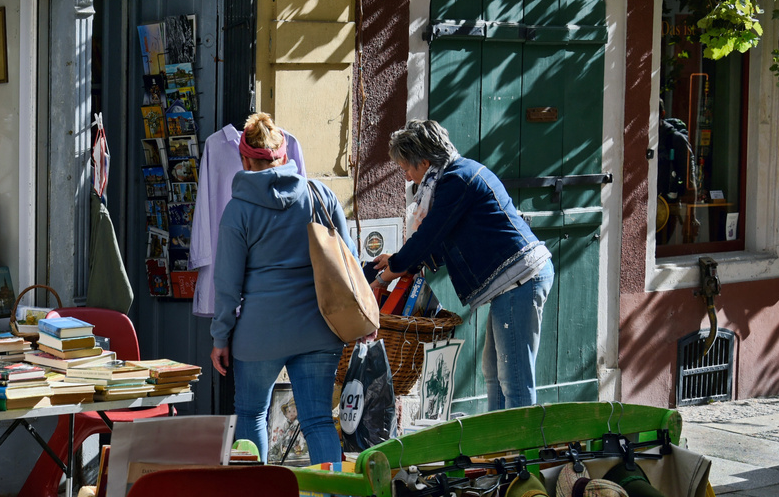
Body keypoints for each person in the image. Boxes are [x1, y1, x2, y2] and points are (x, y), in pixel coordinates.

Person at [372, 119, 554, 412]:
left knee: (515, 378)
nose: (406, 175)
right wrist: (398, 261)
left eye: (406, 166)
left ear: (425, 161)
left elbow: (430, 234)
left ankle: (521, 453)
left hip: (520, 280)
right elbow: (437, 242)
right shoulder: (455, 176)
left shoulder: (457, 179)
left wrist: (390, 271)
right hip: (514, 282)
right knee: (494, 374)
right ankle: (497, 445)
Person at [210, 112, 352, 463]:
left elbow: (227, 285)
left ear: (244, 159)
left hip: (260, 334)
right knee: (318, 420)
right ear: (284, 155)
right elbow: (350, 264)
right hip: (320, 328)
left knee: (251, 414)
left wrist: (220, 338)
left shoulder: (238, 211)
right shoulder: (321, 196)